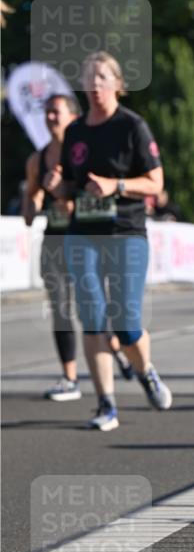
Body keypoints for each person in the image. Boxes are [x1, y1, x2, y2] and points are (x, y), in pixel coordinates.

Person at [53, 51, 172, 431]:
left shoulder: (132, 126)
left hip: (125, 232)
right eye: (89, 77)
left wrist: (116, 186)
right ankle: (106, 405)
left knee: (125, 323)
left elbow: (156, 183)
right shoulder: (75, 132)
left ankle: (146, 371)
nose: (95, 84)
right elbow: (72, 185)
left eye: (103, 77)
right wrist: (60, 189)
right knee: (91, 316)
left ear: (118, 84)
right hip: (83, 232)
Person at [22, 93, 82, 400]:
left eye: (55, 112)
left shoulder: (83, 153)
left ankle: (118, 350)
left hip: (85, 237)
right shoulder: (38, 159)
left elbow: (93, 197)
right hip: (55, 240)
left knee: (92, 309)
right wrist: (31, 207)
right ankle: (70, 378)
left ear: (72, 116)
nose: (50, 118)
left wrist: (64, 193)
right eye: (46, 113)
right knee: (60, 308)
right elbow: (31, 196)